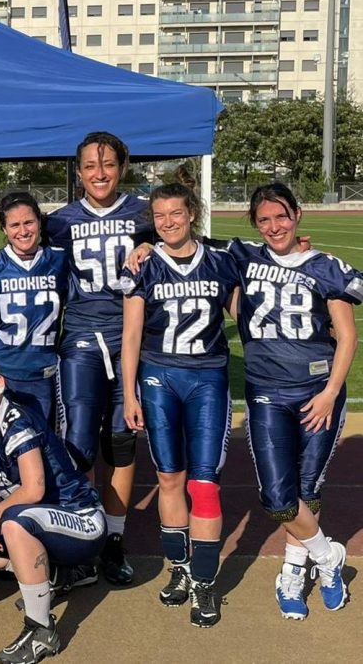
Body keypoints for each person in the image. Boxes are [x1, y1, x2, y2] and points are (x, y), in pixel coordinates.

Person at [231, 183, 360, 620]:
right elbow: (187, 244)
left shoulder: (326, 267)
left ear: (297, 214)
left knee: (307, 488)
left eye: (281, 216)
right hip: (266, 390)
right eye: (264, 219)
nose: (273, 226)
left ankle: (291, 571)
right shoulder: (244, 258)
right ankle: (328, 558)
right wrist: (146, 248)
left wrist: (328, 394)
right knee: (277, 496)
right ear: (255, 223)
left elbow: (347, 336)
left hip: (316, 392)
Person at [119, 182, 238, 628]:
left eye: (177, 213)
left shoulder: (223, 259)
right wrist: (129, 393)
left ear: (192, 214)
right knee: (169, 476)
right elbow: (131, 335)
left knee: (204, 484)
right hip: (158, 375)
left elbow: (247, 309)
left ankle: (205, 583)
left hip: (207, 375)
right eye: (160, 215)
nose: (169, 222)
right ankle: (181, 570)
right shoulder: (143, 265)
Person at [0, 349, 105, 664]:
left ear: (0, 383)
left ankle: (41, 628)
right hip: (41, 522)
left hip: (80, 518)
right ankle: (56, 572)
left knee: (14, 521)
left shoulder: (17, 420)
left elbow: (34, 489)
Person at [43, 131, 153, 586]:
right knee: (80, 444)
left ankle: (113, 539)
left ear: (122, 167)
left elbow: (190, 246)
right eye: (90, 166)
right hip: (82, 340)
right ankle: (82, 535)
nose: (99, 173)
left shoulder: (144, 213)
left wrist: (153, 246)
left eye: (107, 165)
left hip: (131, 340)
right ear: (78, 171)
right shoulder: (60, 221)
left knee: (122, 442)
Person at [0, 192, 67, 424]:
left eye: (29, 222)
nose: (23, 231)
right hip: (2, 372)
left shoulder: (59, 260)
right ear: (4, 230)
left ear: (40, 222)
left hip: (45, 373)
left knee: (44, 445)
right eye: (14, 225)